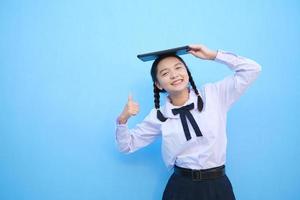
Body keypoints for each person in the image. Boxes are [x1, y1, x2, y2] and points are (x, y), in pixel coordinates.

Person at [115, 44, 261, 200]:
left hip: (217, 185)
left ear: (187, 72)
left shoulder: (213, 95)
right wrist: (123, 119)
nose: (174, 75)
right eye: (165, 73)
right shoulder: (159, 116)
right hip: (181, 188)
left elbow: (252, 69)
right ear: (158, 84)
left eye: (178, 68)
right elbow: (126, 145)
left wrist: (213, 55)